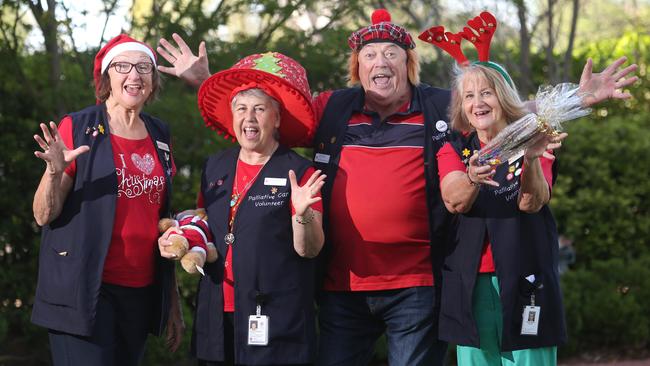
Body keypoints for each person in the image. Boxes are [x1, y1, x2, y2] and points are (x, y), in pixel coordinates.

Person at [155, 8, 638, 365]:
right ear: (358, 68)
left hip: (419, 287)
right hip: (342, 287)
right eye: (370, 55)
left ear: (407, 65)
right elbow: (262, 114)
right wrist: (210, 81)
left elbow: (497, 104)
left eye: (392, 54)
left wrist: (577, 98)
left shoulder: (438, 106)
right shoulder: (333, 108)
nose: (380, 62)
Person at [157, 52, 325, 365]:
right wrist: (178, 237)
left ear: (276, 119)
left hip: (276, 319)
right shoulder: (214, 167)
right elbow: (204, 228)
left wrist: (303, 214)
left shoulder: (299, 172)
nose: (249, 118)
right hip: (217, 317)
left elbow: (310, 249)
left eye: (259, 109)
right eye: (241, 108)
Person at [31, 34, 183, 366]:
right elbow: (44, 215)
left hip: (140, 293)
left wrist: (171, 298)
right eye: (123, 66)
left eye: (144, 66)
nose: (134, 75)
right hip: (84, 290)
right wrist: (54, 172)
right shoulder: (79, 126)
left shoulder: (160, 135)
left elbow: (162, 216)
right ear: (106, 77)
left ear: (153, 80)